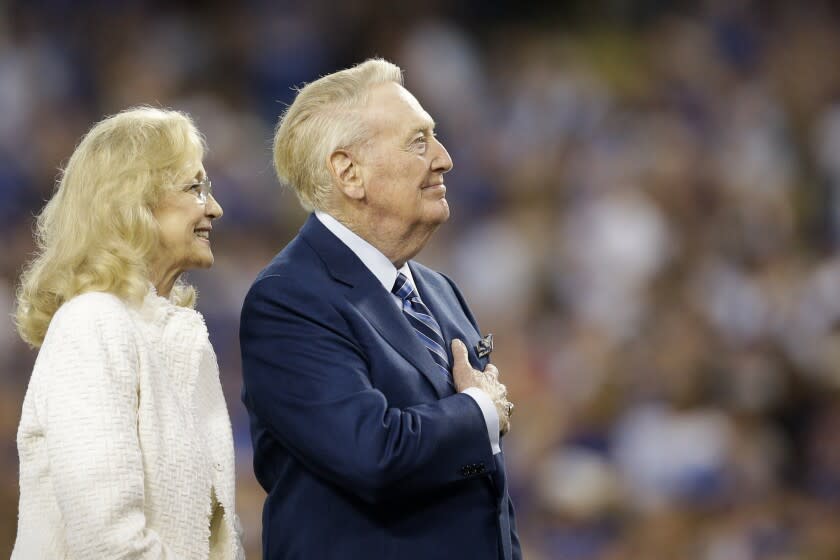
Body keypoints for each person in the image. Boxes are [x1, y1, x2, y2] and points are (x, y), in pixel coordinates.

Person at [240, 58, 520, 559]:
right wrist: (478, 410)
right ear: (349, 173)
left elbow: (487, 493)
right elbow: (372, 454)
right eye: (419, 141)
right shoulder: (288, 299)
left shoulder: (439, 291)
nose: (444, 157)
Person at [12, 107, 245, 559]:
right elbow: (108, 543)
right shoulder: (91, 324)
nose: (214, 207)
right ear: (131, 202)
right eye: (195, 187)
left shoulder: (184, 338)